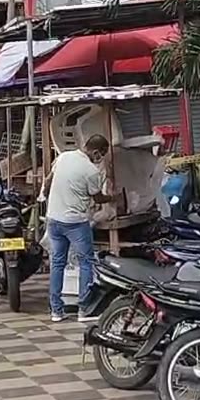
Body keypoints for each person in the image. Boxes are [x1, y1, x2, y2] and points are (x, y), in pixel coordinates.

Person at [47, 134, 114, 323]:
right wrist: (113, 197)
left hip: (54, 218)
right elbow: (98, 198)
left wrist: (45, 196)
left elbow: (49, 180)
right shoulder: (90, 170)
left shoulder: (64, 157)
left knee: (57, 263)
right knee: (87, 262)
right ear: (95, 152)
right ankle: (85, 309)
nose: (100, 158)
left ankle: (56, 311)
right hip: (75, 222)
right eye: (101, 154)